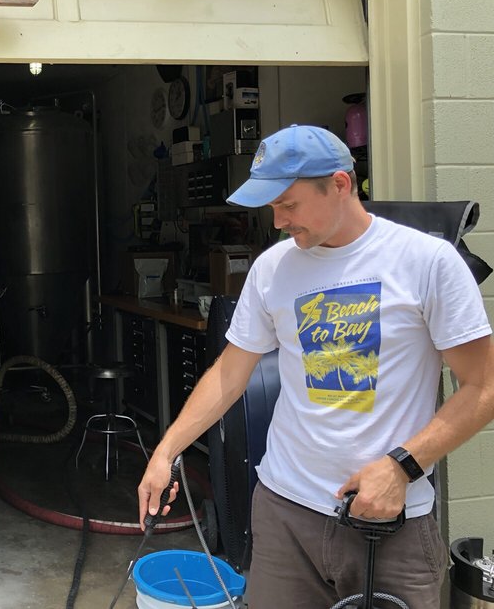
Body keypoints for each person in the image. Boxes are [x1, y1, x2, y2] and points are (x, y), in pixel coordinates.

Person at [138, 124, 494, 608]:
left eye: (289, 204)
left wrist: (403, 466)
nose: (278, 221)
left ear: (340, 184)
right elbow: (229, 373)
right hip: (284, 514)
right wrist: (166, 451)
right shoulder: (272, 269)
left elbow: (481, 387)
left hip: (388, 522)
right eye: (272, 207)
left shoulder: (428, 263)